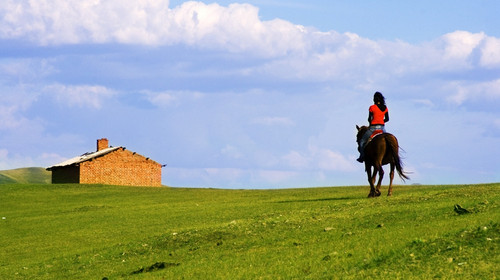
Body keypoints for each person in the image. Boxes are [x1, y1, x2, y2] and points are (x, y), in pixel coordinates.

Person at [357, 91, 389, 162]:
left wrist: (372, 123)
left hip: (373, 128)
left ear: (374, 99)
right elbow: (387, 119)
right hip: (382, 128)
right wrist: (381, 121)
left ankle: (362, 157)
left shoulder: (372, 107)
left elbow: (369, 119)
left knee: (362, 141)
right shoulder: (385, 108)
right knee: (387, 142)